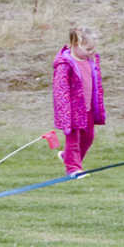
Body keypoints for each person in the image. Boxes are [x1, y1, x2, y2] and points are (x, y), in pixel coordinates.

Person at [52, 26, 105, 176]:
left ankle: (68, 158)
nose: (92, 53)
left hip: (87, 108)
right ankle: (73, 169)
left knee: (88, 138)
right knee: (73, 140)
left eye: (93, 49)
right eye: (88, 49)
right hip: (72, 110)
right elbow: (60, 90)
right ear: (76, 45)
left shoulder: (90, 62)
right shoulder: (65, 64)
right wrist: (65, 113)